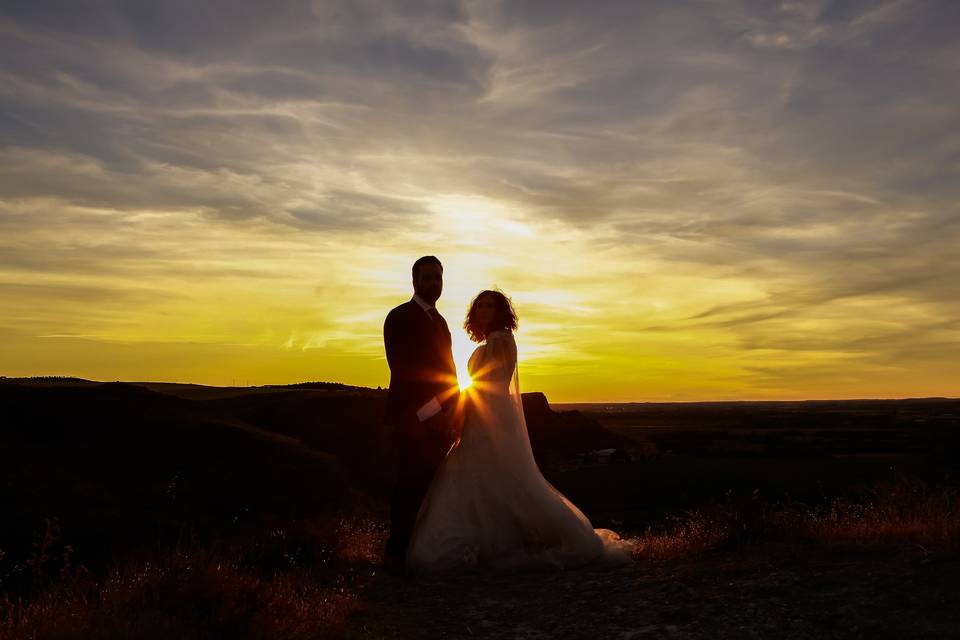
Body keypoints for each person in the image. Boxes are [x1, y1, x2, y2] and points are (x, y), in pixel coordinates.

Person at [405, 289, 636, 575]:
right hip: (482, 414)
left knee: (492, 475)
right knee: (485, 477)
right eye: (480, 306)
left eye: (490, 306)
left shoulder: (500, 341)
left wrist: (460, 411)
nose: (484, 311)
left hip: (489, 416)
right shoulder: (493, 341)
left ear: (500, 311)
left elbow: (485, 384)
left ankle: (506, 540)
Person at [382, 256, 461, 574]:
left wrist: (452, 408)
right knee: (408, 486)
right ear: (414, 281)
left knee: (433, 487)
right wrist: (431, 413)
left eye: (438, 278)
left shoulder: (441, 322)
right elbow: (403, 369)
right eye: (427, 278)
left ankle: (423, 551)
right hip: (412, 420)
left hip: (440, 420)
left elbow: (450, 371)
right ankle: (396, 555)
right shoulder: (399, 317)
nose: (433, 284)